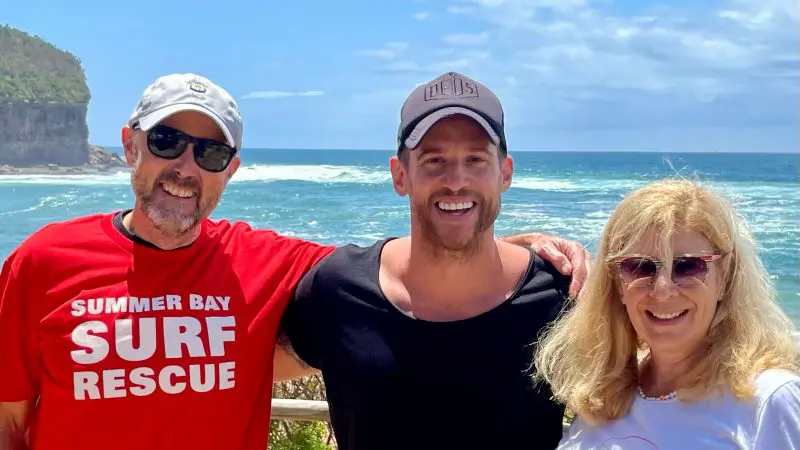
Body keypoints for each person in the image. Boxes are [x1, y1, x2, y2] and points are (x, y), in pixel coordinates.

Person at [0, 72, 588, 450]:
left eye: (210, 152)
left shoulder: (267, 261)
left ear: (231, 170)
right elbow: (9, 421)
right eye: (166, 141)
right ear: (130, 144)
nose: (186, 167)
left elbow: (420, 261)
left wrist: (518, 244)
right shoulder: (43, 260)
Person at [279, 72, 576, 450]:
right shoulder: (337, 289)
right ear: (400, 175)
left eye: (476, 159)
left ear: (505, 173)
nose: (456, 180)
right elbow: (244, 372)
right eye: (434, 160)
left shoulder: (560, 295)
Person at [534, 179, 800, 449]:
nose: (662, 290)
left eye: (688, 266)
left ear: (725, 277)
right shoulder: (602, 395)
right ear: (618, 283)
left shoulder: (768, 401)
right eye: (640, 266)